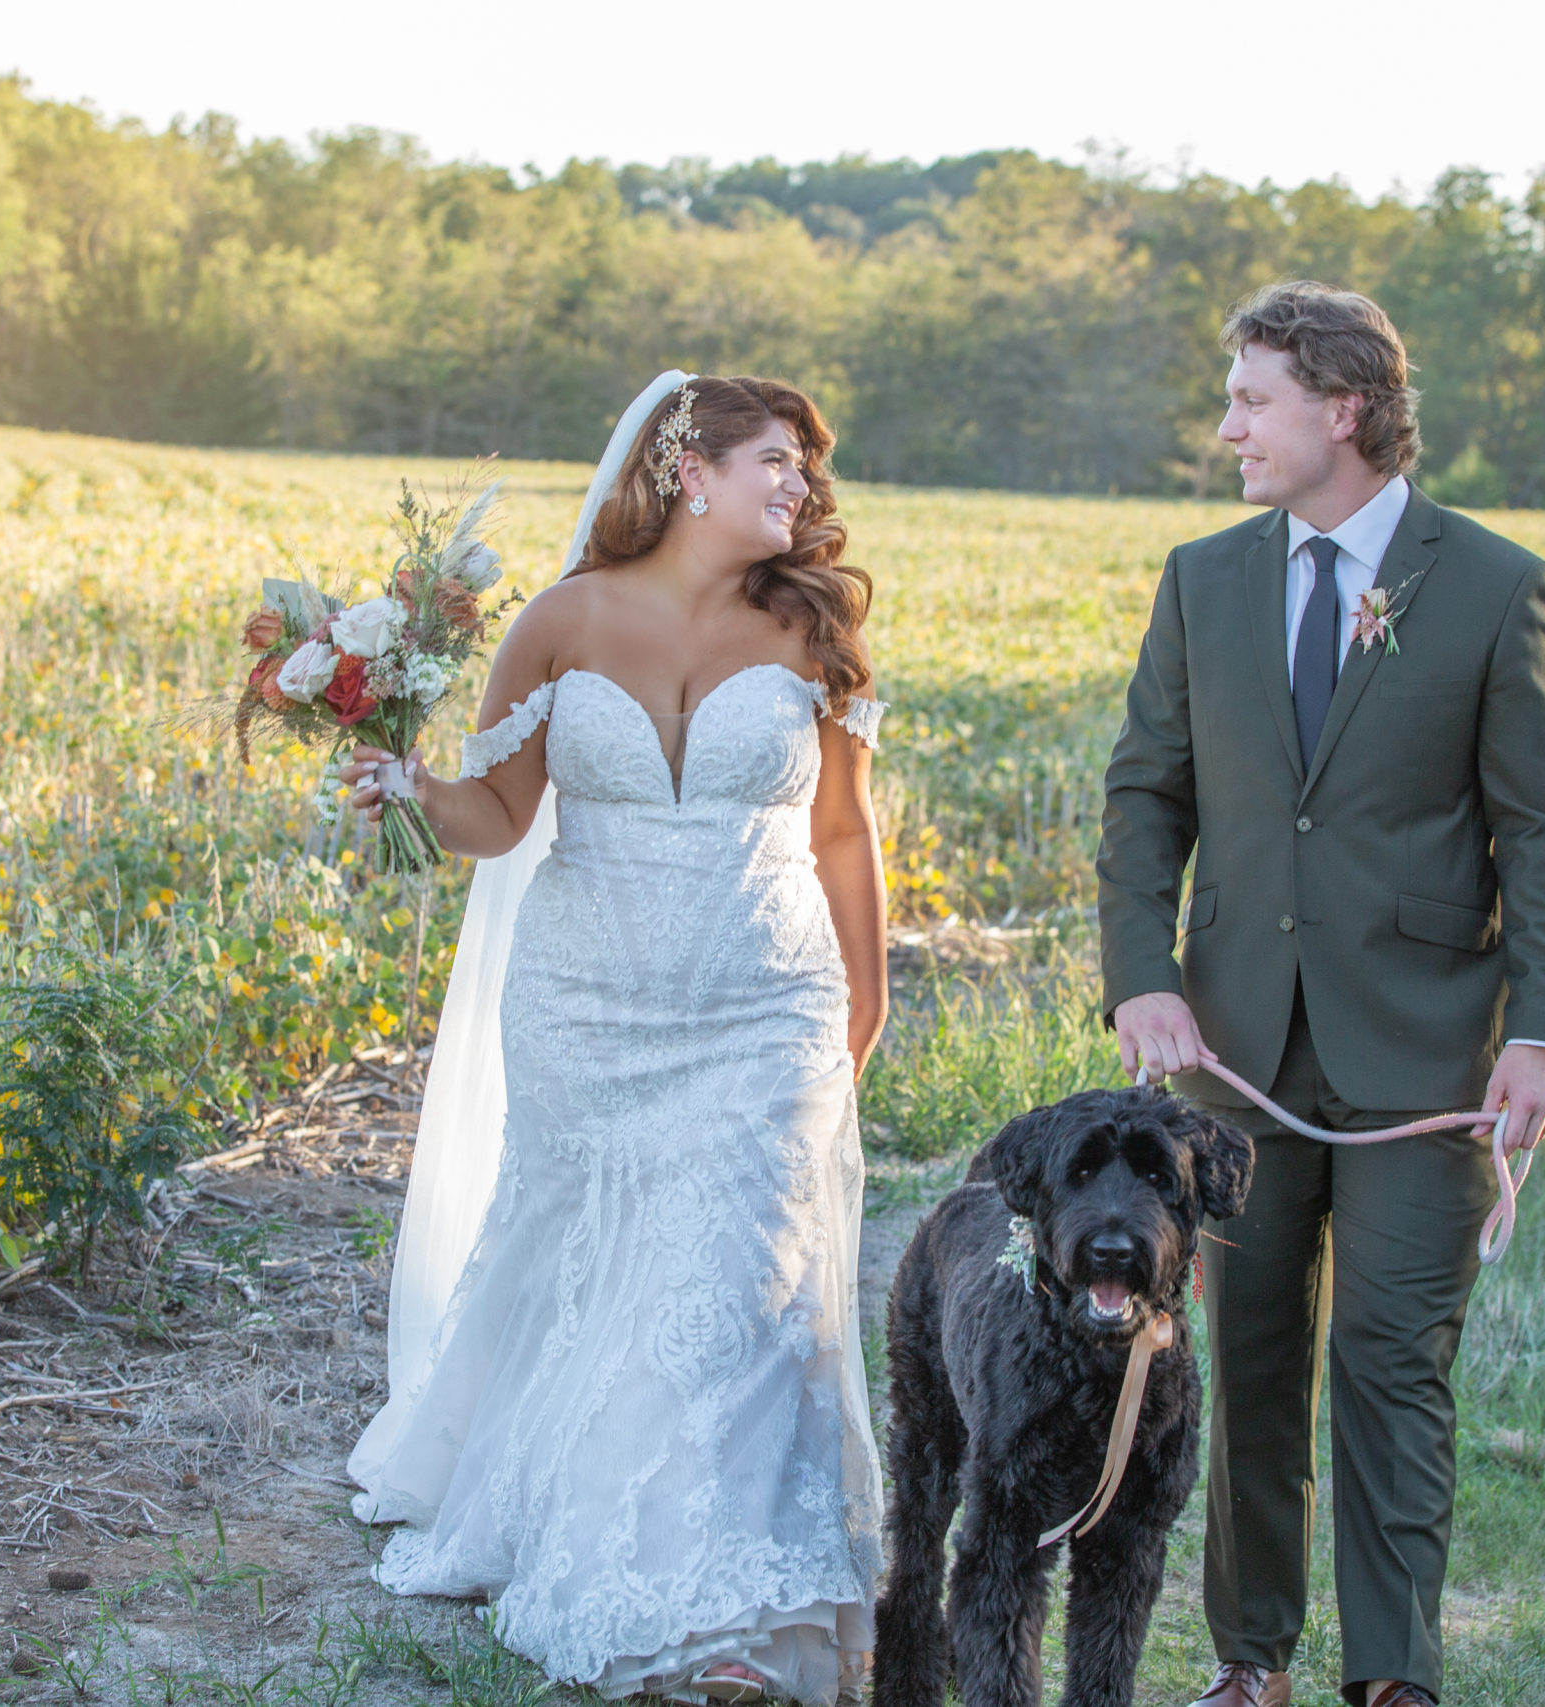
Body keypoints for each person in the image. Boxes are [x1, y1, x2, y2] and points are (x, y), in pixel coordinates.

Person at [341, 373, 889, 1707]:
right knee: (610, 1284)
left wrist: (863, 1005)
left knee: (737, 1299)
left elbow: (839, 832)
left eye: (807, 473)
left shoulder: (815, 625)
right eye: (779, 463)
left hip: (767, 1009)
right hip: (587, 1011)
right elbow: (500, 817)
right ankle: (590, 1517)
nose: (801, 491)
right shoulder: (561, 621)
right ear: (690, 470)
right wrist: (406, 786)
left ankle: (725, 1616)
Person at [1095, 284, 1545, 1707]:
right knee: (1246, 1361)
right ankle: (1253, 1664)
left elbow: (1542, 835)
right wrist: (1144, 981)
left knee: (1387, 1362)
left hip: (1429, 1052)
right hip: (1234, 1055)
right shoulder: (1202, 578)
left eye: (1252, 399)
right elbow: (1146, 799)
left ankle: (1396, 1679)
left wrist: (1540, 1034)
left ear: (1344, 409)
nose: (1229, 425)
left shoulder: (1495, 586)